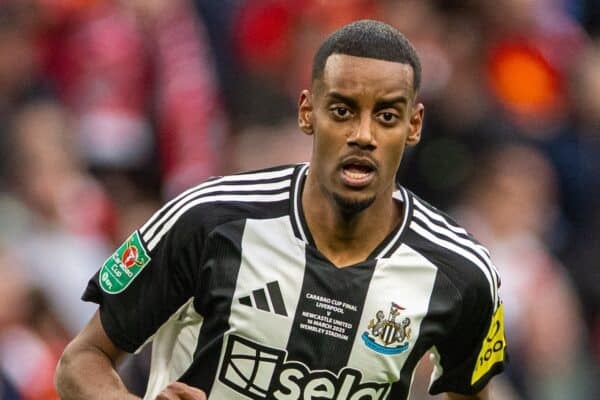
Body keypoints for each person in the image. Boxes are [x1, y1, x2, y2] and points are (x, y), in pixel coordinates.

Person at [55, 20, 506, 400]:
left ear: (414, 125)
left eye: (386, 116)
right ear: (308, 112)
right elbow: (81, 360)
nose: (363, 134)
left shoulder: (461, 275)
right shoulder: (210, 220)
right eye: (343, 110)